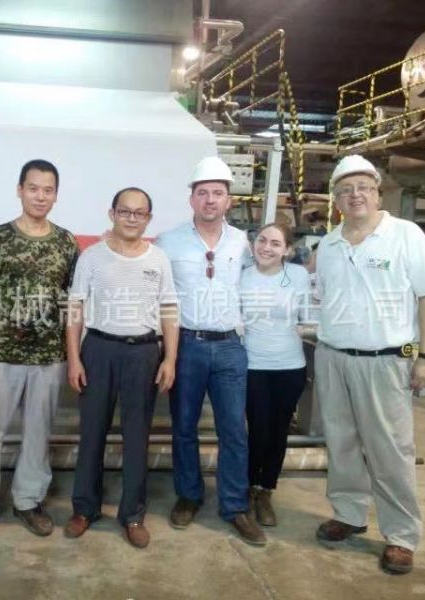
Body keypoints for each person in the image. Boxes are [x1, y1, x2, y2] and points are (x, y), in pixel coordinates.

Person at [314, 154, 425, 575]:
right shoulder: (329, 245)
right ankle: (349, 513)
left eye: (363, 188)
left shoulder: (404, 235)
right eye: (345, 190)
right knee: (341, 443)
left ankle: (401, 535)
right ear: (336, 199)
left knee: (390, 450)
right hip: (334, 357)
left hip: (385, 361)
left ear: (377, 193)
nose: (355, 195)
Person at [0, 159, 79, 547]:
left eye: (48, 190)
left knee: (38, 435)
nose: (40, 196)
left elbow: (72, 304)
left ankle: (28, 501)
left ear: (56, 195)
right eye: (33, 188)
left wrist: (73, 356)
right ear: (19, 190)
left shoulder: (66, 243)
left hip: (48, 357)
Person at [156, 156, 265, 545]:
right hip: (187, 345)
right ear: (192, 199)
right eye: (202, 193)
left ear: (228, 201)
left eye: (218, 193)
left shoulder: (242, 242)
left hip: (230, 347)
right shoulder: (168, 242)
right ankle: (189, 495)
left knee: (234, 429)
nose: (210, 200)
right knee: (184, 426)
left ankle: (234, 506)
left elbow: (264, 277)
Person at [64, 187, 179, 548]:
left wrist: (170, 358)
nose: (131, 218)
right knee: (92, 433)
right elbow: (75, 308)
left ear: (148, 219)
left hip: (143, 354)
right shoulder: (91, 257)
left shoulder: (158, 259)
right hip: (99, 350)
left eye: (139, 213)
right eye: (125, 211)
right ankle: (85, 509)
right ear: (111, 214)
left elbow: (169, 309)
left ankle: (132, 515)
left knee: (137, 437)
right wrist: (74, 358)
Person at [240, 222, 311, 526]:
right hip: (253, 366)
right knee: (256, 429)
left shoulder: (297, 276)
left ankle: (266, 490)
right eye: (262, 240)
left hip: (290, 366)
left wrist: (308, 327)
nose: (266, 247)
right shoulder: (242, 276)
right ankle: (247, 487)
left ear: (288, 250)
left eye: (275, 243)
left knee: (278, 431)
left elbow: (309, 316)